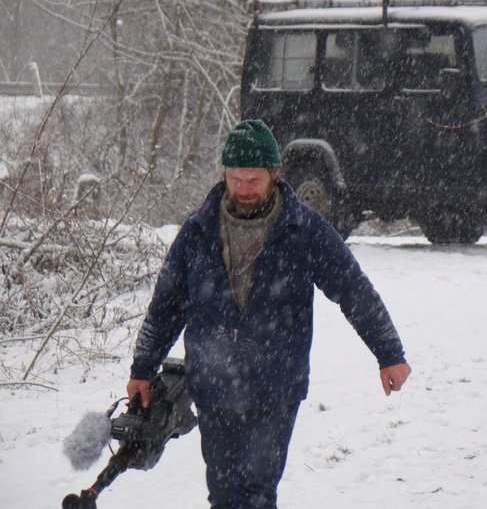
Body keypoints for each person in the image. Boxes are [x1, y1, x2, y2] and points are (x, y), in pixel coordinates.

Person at [126, 119, 411, 509]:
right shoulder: (198, 231)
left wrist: (389, 353)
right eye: (236, 179)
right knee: (225, 496)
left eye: (254, 180)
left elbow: (354, 290)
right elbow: (166, 306)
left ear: (275, 176)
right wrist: (143, 368)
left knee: (257, 494)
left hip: (274, 386)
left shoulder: (303, 229)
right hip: (214, 385)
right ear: (225, 174)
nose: (244, 190)